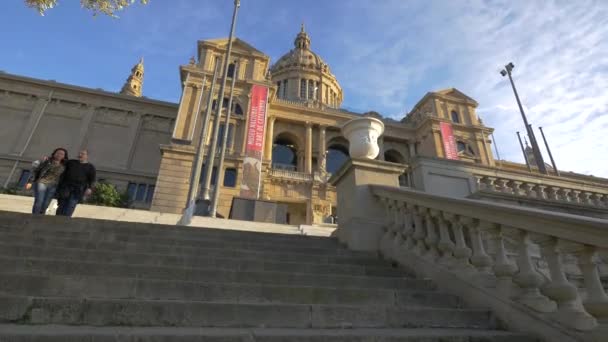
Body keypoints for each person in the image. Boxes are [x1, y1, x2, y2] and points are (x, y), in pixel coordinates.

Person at [56, 149, 96, 217]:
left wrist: (89, 188)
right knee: (62, 204)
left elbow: (92, 179)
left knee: (71, 205)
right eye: (79, 153)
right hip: (66, 187)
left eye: (82, 154)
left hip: (78, 189)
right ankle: (56, 219)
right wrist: (48, 158)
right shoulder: (71, 162)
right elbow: (61, 161)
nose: (80, 155)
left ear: (87, 156)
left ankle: (65, 221)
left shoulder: (90, 167)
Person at [30, 148, 68, 214]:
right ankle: (34, 217)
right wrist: (42, 161)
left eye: (62, 154)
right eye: (58, 153)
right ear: (54, 154)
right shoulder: (47, 161)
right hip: (42, 183)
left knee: (46, 204)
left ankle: (41, 216)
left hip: (53, 186)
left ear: (64, 156)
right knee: (39, 201)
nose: (59, 155)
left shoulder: (65, 165)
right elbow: (35, 168)